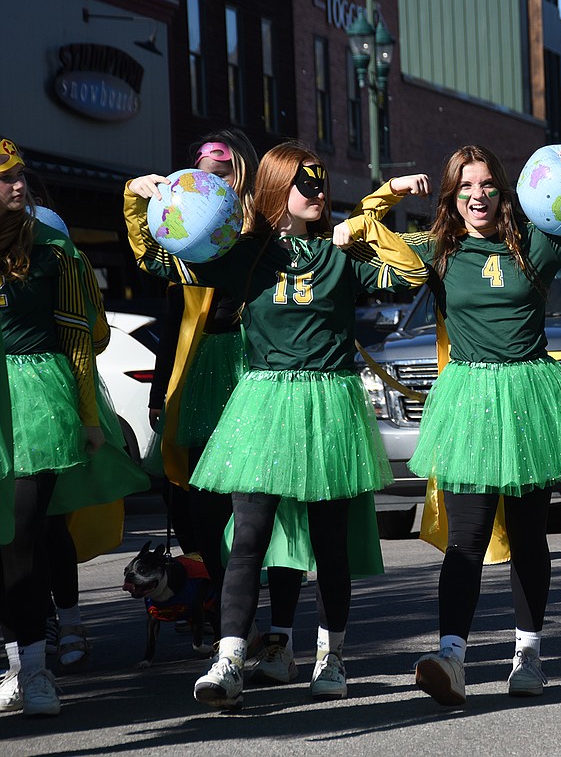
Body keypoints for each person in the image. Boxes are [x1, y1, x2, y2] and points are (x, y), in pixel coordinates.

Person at [124, 140, 430, 711]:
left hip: (329, 405)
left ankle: (331, 658)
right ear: (274, 189)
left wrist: (369, 216)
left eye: (321, 185)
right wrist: (141, 200)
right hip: (263, 404)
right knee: (247, 544)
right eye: (304, 184)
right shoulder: (244, 254)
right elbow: (161, 261)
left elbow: (410, 276)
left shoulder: (343, 255)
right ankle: (230, 658)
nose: (317, 193)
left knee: (329, 546)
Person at [337, 141, 561, 705]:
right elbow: (354, 242)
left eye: (487, 184)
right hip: (468, 403)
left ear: (505, 190)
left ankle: (528, 654)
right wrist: (387, 193)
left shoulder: (538, 242)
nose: (477, 196)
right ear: (452, 196)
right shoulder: (436, 251)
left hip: (529, 397)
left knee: (528, 537)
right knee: (466, 540)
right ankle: (452, 656)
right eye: (465, 186)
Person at [132, 129, 311, 681]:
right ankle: (233, 625)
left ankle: (277, 636)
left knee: (277, 511)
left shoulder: (266, 236)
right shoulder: (189, 235)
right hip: (205, 373)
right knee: (203, 510)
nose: (214, 181)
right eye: (203, 172)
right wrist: (137, 201)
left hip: (260, 370)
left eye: (225, 171)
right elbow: (171, 308)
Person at [0, 138, 146, 716]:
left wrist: (88, 416)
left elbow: (81, 341)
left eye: (22, 177)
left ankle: (35, 670)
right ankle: (14, 661)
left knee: (23, 539)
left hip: (37, 401)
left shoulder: (56, 252)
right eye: (6, 178)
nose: (19, 186)